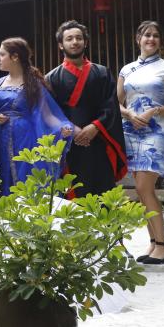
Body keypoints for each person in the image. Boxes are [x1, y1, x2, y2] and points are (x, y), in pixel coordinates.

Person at [117, 21, 164, 265]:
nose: (151, 39)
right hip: (130, 130)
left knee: (145, 188)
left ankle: (163, 246)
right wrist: (129, 114)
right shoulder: (127, 69)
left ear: (160, 41)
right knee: (141, 190)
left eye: (155, 35)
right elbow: (116, 102)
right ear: (138, 39)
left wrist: (153, 111)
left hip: (156, 131)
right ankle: (154, 242)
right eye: (147, 35)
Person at [45, 20, 128, 197]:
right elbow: (50, 113)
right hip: (69, 145)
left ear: (86, 42)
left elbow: (111, 106)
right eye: (69, 39)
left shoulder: (102, 73)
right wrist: (72, 130)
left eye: (79, 38)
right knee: (73, 195)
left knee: (102, 195)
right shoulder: (51, 78)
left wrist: (95, 127)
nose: (75, 42)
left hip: (99, 140)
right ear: (61, 45)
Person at [0, 37, 73, 193]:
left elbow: (47, 115)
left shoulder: (33, 84)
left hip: (24, 139)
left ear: (15, 57)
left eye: (2, 54)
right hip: (0, 138)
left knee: (25, 179)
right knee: (1, 179)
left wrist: (63, 127)